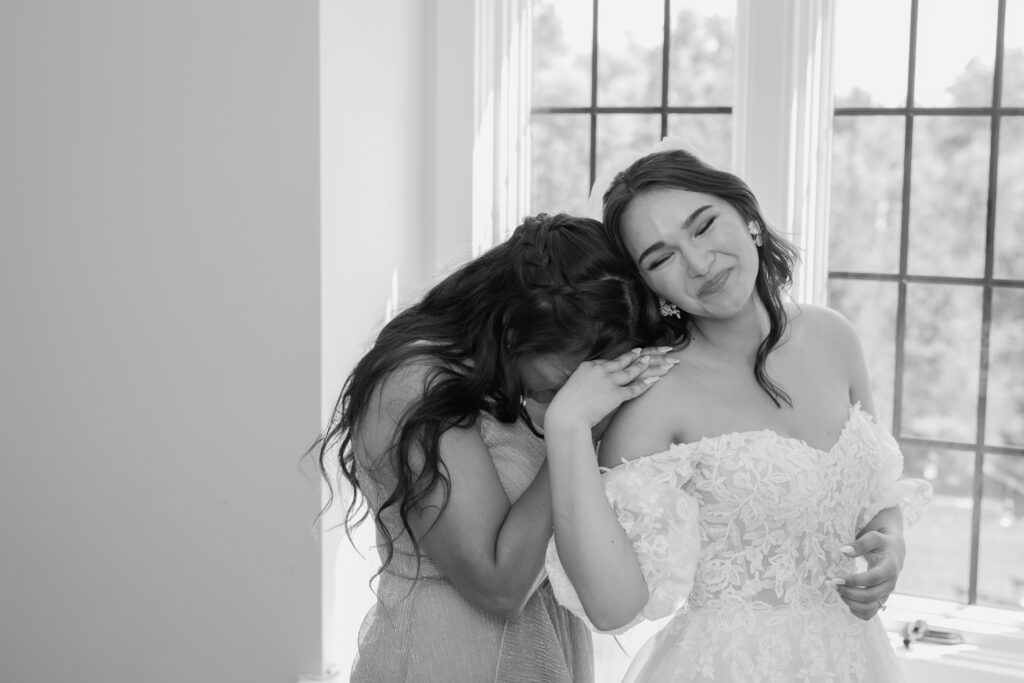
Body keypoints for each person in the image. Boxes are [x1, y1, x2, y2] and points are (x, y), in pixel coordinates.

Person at [541, 148, 932, 682]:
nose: (699, 264)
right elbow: (613, 608)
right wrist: (566, 425)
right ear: (649, 285)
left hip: (855, 660)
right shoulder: (657, 395)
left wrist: (890, 546)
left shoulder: (834, 336)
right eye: (661, 258)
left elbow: (877, 495)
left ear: (747, 217)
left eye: (703, 226)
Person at [315, 213, 676, 682]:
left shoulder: (509, 386)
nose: (580, 387)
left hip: (545, 650)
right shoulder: (415, 384)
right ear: (514, 328)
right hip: (446, 659)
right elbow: (498, 587)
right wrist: (577, 427)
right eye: (571, 373)